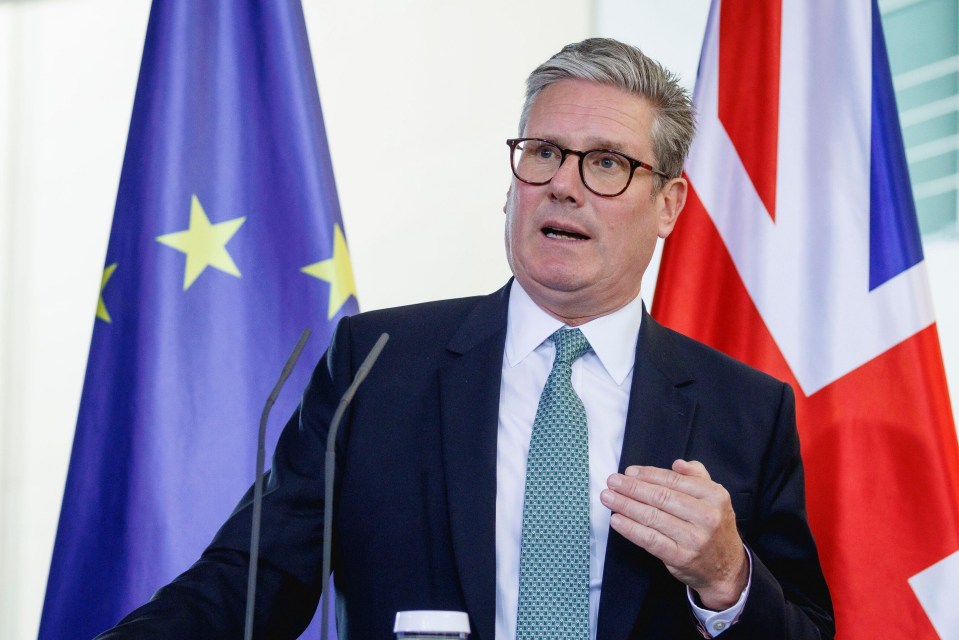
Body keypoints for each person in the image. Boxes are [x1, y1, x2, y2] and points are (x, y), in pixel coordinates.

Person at [97, 38, 834, 639]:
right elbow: (253, 580)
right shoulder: (377, 365)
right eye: (543, 152)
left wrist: (725, 579)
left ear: (668, 203)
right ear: (512, 182)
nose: (563, 185)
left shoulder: (744, 409)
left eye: (606, 163)